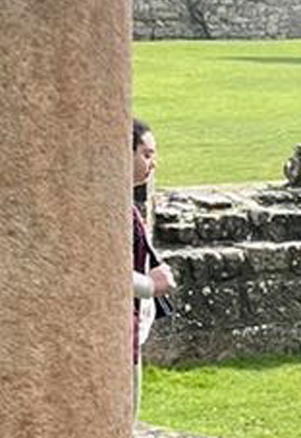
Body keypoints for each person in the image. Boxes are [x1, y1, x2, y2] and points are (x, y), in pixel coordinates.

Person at [131, 118, 175, 411]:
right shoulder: (108, 208)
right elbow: (97, 271)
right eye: (146, 154)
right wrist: (150, 285)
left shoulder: (125, 205)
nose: (152, 163)